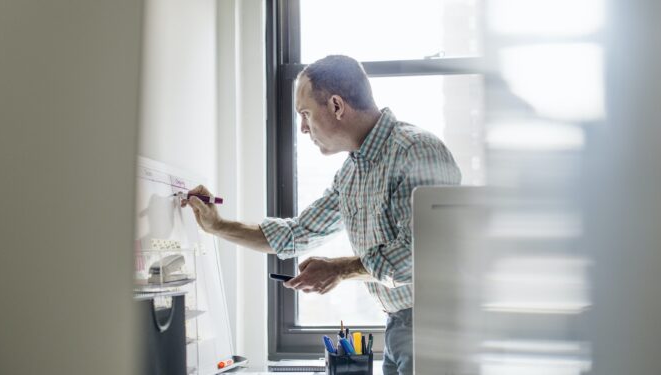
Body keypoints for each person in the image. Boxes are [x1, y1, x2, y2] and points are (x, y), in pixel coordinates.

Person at [182, 55, 460, 375]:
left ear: (337, 106)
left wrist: (339, 269)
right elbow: (295, 234)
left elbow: (420, 254)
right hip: (399, 325)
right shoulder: (350, 175)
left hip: (435, 326)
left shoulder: (415, 150)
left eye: (305, 114)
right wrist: (217, 225)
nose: (302, 128)